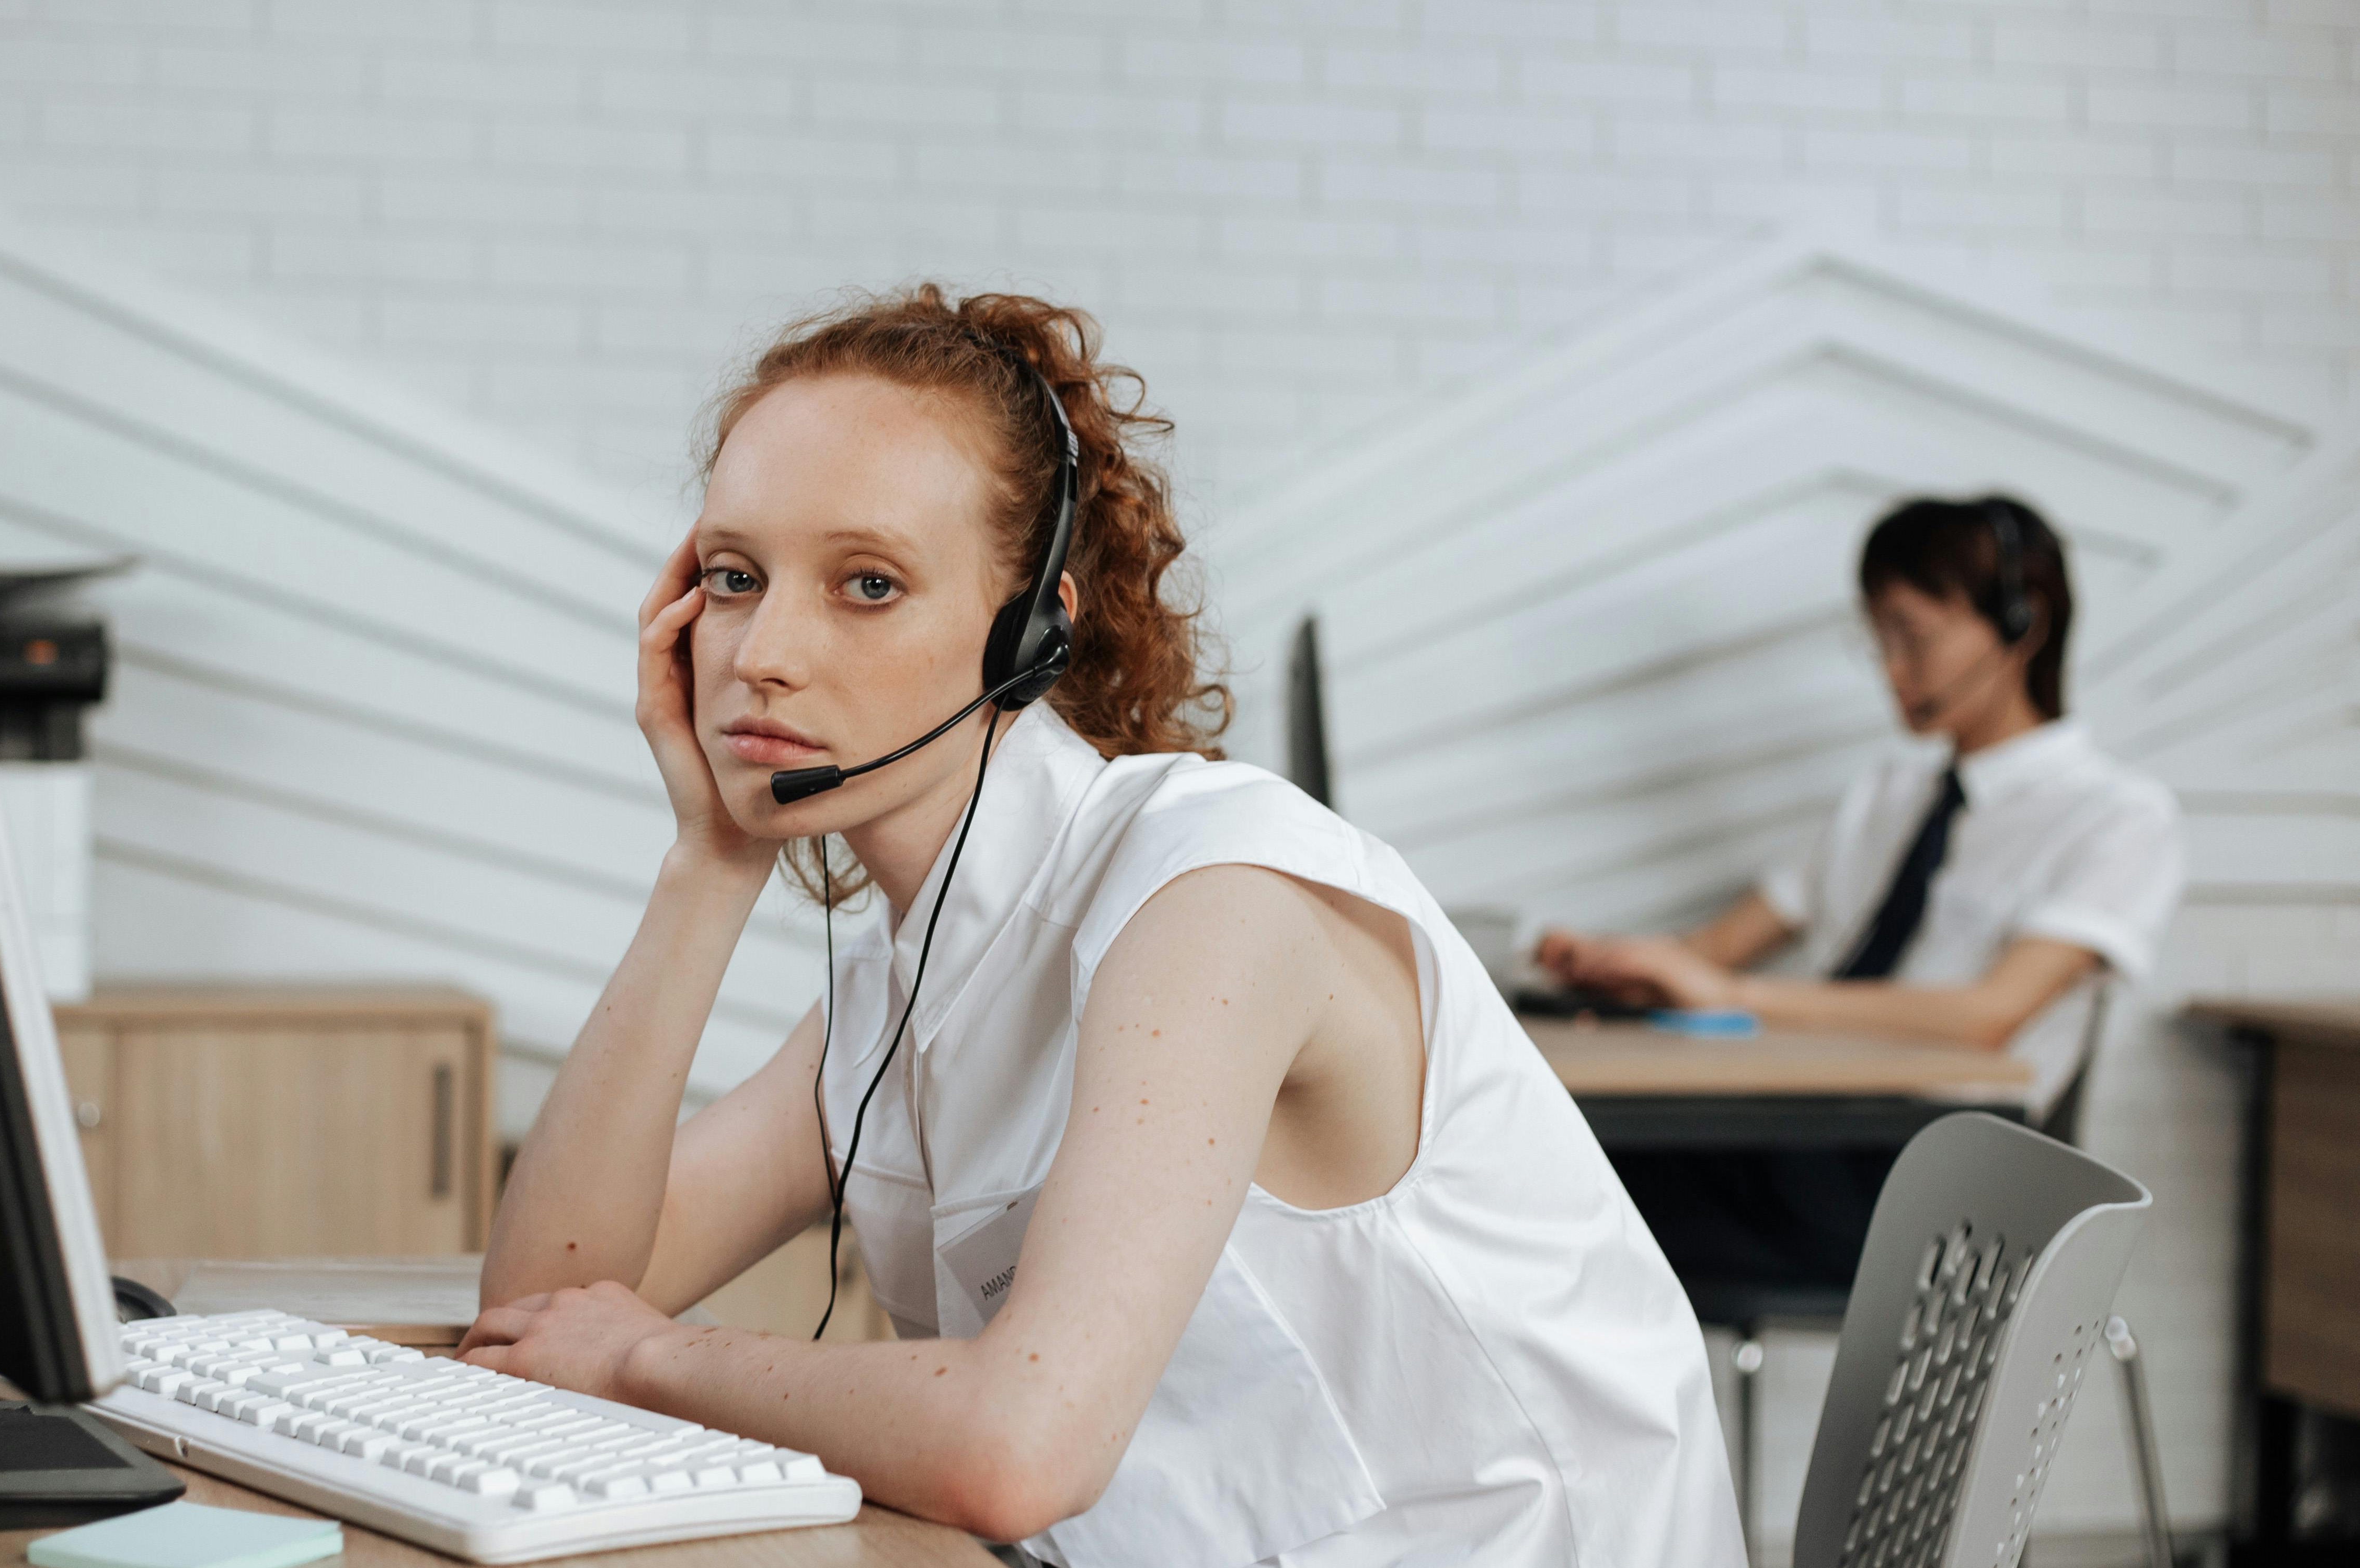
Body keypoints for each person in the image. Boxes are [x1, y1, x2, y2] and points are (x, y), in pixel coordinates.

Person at [457, 287, 1741, 1567]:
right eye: (734, 579)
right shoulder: (899, 978)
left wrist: (645, 1359)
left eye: (867, 583)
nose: (763, 651)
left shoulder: (1216, 892)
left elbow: (1020, 1447)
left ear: (1032, 632)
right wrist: (709, 861)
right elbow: (536, 1309)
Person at [1534, 497, 2184, 1287]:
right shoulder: (1884, 794)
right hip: (1794, 1138)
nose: (1890, 670)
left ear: (2023, 624)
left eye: (1912, 637)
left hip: (1937, 1194)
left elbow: (1990, 1016)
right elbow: (1714, 952)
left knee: (1558, 1207)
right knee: (1542, 1164)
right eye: (1876, 639)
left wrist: (1730, 995)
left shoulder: (2116, 817)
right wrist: (1616, 965)